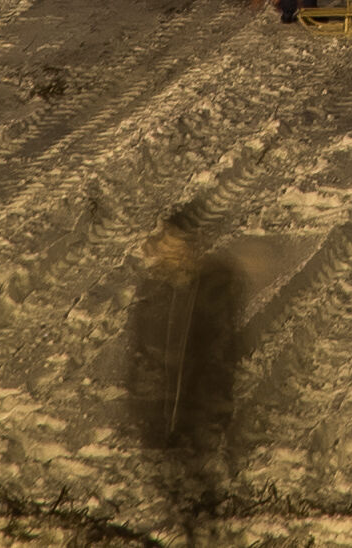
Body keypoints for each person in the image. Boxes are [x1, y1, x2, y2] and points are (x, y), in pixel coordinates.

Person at [125, 210, 241, 520]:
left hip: (197, 413)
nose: (164, 253)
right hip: (163, 414)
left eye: (174, 246)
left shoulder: (208, 291)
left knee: (197, 484)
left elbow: (217, 357)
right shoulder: (157, 290)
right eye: (164, 244)